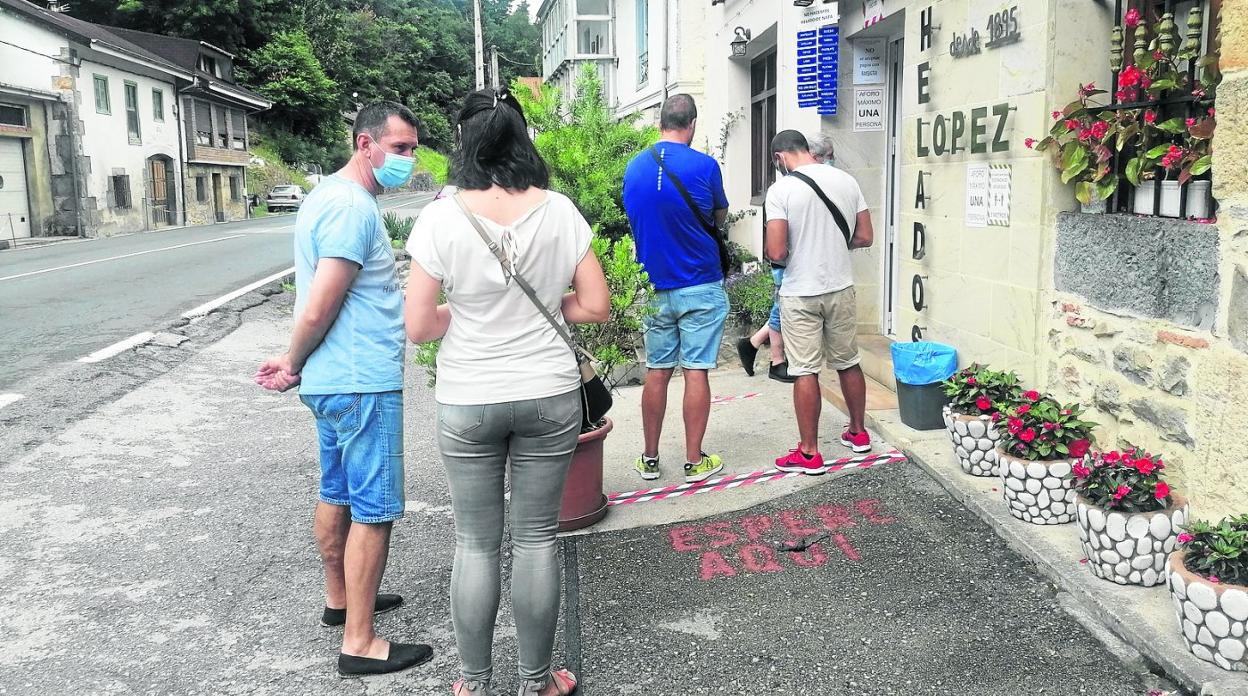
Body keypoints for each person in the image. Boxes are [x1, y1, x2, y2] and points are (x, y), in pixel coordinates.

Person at [404, 88, 609, 696]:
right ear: (524, 138)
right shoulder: (560, 210)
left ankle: (473, 682)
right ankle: (538, 682)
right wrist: (552, 305)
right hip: (547, 393)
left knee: (475, 542)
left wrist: (461, 317)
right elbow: (594, 305)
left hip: (469, 395)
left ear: (464, 142)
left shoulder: (440, 217)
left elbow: (419, 325)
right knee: (536, 539)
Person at [254, 102, 432, 677]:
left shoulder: (327, 197)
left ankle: (341, 601)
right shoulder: (353, 208)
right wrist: (291, 358)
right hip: (361, 381)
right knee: (374, 509)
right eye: (400, 149)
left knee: (337, 493)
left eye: (412, 149)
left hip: (336, 382)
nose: (409, 159)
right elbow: (322, 302)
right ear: (366, 144)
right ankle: (360, 641)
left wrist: (302, 364)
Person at [622, 93, 730, 483]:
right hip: (700, 282)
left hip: (654, 287)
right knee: (696, 370)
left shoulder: (633, 169)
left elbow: (636, 220)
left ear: (659, 123)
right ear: (693, 124)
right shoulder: (705, 165)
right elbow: (719, 216)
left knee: (657, 371)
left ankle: (649, 459)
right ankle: (693, 460)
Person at [764, 130, 875, 474]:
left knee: (804, 370)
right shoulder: (846, 181)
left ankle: (810, 453)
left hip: (800, 293)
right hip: (841, 286)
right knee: (848, 361)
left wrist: (793, 254)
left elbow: (777, 251)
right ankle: (858, 433)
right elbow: (865, 236)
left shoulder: (781, 190)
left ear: (780, 157)